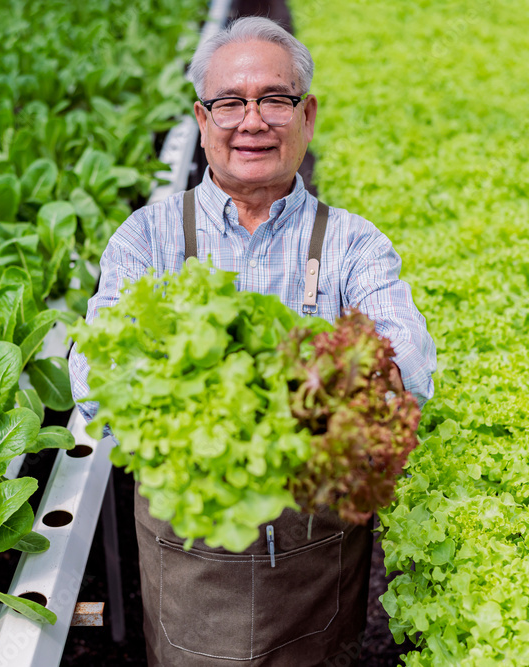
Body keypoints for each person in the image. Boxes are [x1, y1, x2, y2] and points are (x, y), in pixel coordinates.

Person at [68, 16, 437, 666]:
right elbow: (93, 373)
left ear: (308, 116)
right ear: (202, 119)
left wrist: (260, 406)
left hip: (315, 579)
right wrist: (272, 405)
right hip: (189, 575)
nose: (253, 121)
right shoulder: (147, 237)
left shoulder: (352, 243)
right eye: (231, 103)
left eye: (274, 99)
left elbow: (404, 360)